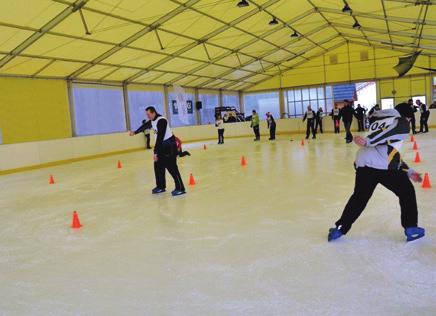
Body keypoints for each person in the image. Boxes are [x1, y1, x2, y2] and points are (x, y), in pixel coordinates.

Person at [328, 103, 425, 243]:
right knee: (407, 192)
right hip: (382, 165)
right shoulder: (400, 122)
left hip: (364, 162)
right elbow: (388, 137)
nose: (409, 122)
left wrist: (408, 170)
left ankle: (340, 228)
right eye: (410, 118)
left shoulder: (381, 119)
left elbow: (390, 152)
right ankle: (411, 228)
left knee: (359, 198)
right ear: (406, 116)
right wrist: (368, 141)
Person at [129, 106, 186, 196]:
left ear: (153, 112)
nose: (147, 116)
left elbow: (160, 138)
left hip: (169, 145)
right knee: (158, 165)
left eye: (148, 114)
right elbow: (145, 126)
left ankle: (180, 188)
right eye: (146, 115)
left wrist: (155, 152)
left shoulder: (162, 121)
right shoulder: (153, 121)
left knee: (172, 167)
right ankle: (160, 186)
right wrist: (135, 132)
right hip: (162, 145)